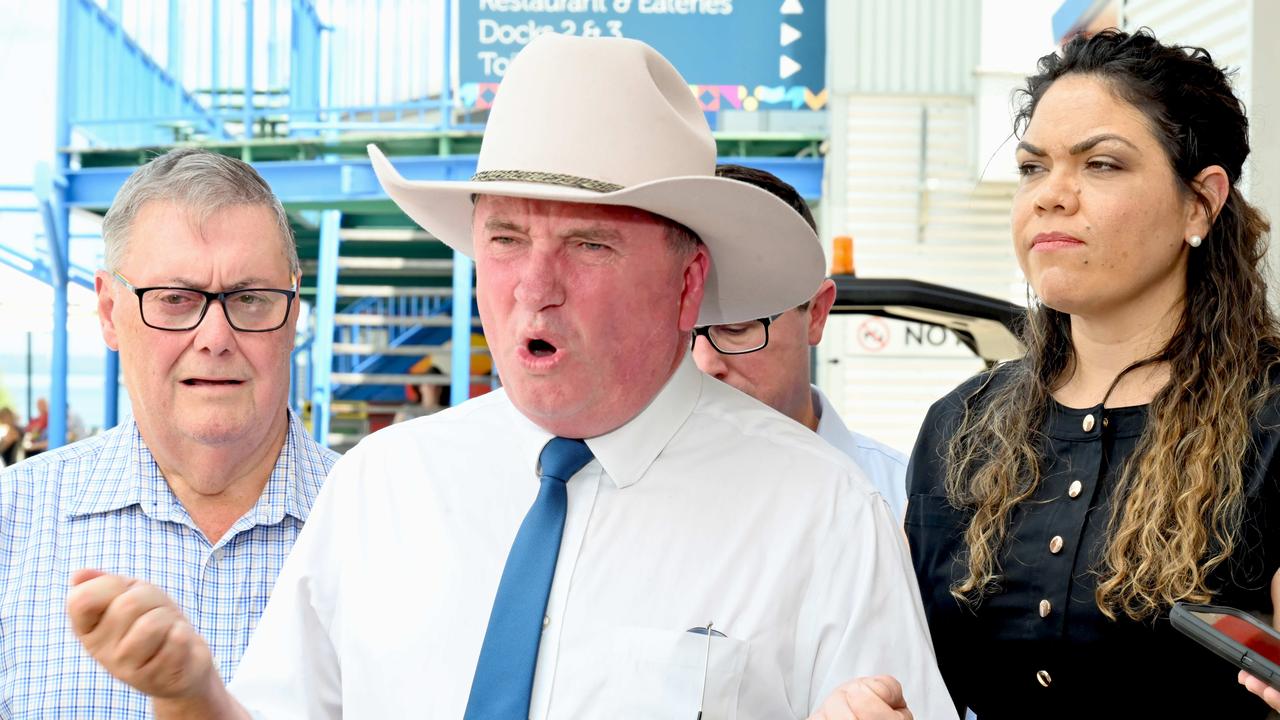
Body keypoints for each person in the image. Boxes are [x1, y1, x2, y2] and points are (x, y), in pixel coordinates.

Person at [67, 35, 952, 719]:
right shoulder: (382, 486)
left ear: (688, 285)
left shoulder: (821, 513)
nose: (535, 286)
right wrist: (192, 696)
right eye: (504, 240)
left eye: (588, 244)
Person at [902, 29, 1279, 718]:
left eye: (1100, 165)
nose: (1052, 195)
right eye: (1032, 167)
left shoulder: (1271, 425)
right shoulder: (960, 429)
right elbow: (908, 669)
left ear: (1201, 201)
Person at [0, 148, 339, 717]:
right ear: (109, 310)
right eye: (176, 300)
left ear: (294, 307)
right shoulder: (11, 530)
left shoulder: (388, 529)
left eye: (250, 299)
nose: (215, 337)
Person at [693, 164, 908, 518]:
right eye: (681, 334)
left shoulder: (902, 505)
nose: (703, 364)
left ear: (817, 313)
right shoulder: (619, 501)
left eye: (736, 329)